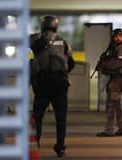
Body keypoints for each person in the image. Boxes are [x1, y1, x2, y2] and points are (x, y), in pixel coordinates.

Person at [29, 15, 75, 157]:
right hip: (59, 84)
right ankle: (60, 147)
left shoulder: (36, 39)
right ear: (56, 26)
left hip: (42, 84)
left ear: (43, 26)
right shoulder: (64, 42)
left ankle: (35, 144)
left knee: (38, 117)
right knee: (61, 118)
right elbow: (71, 63)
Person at [96, 28, 122, 137]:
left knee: (111, 105)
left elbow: (119, 62)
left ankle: (109, 130)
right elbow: (109, 60)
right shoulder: (112, 48)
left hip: (119, 79)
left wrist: (105, 65)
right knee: (116, 105)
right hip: (114, 79)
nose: (117, 38)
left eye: (119, 36)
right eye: (115, 36)